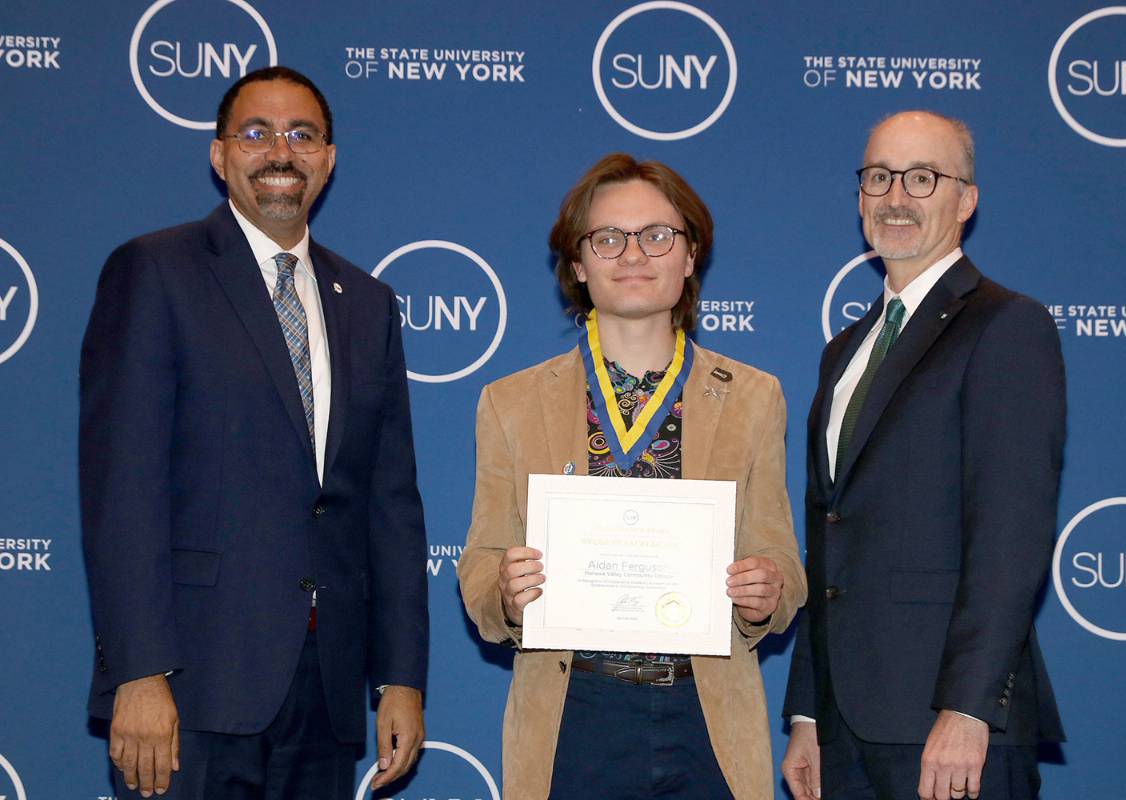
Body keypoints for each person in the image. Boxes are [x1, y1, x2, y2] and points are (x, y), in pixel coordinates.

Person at [80, 66, 428, 798]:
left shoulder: (368, 304)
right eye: (257, 133)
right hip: (191, 687)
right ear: (220, 155)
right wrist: (138, 672)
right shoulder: (154, 271)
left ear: (328, 159)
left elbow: (389, 505)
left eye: (302, 135)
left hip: (326, 690)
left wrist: (399, 677)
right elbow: (123, 489)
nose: (281, 151)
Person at [459, 153, 806, 799]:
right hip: (573, 712)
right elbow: (479, 563)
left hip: (707, 711)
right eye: (608, 238)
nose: (634, 254)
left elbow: (780, 554)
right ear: (577, 264)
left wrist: (770, 589)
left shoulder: (756, 398)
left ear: (690, 254)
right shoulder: (510, 402)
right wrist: (504, 593)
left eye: (657, 235)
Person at [782, 110, 1066, 800]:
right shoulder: (843, 352)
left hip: (949, 729)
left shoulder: (1006, 326)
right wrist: (806, 713)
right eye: (878, 177)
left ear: (966, 199)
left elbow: (1011, 534)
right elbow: (828, 540)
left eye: (922, 177)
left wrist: (968, 709)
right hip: (845, 731)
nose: (896, 197)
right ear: (859, 199)